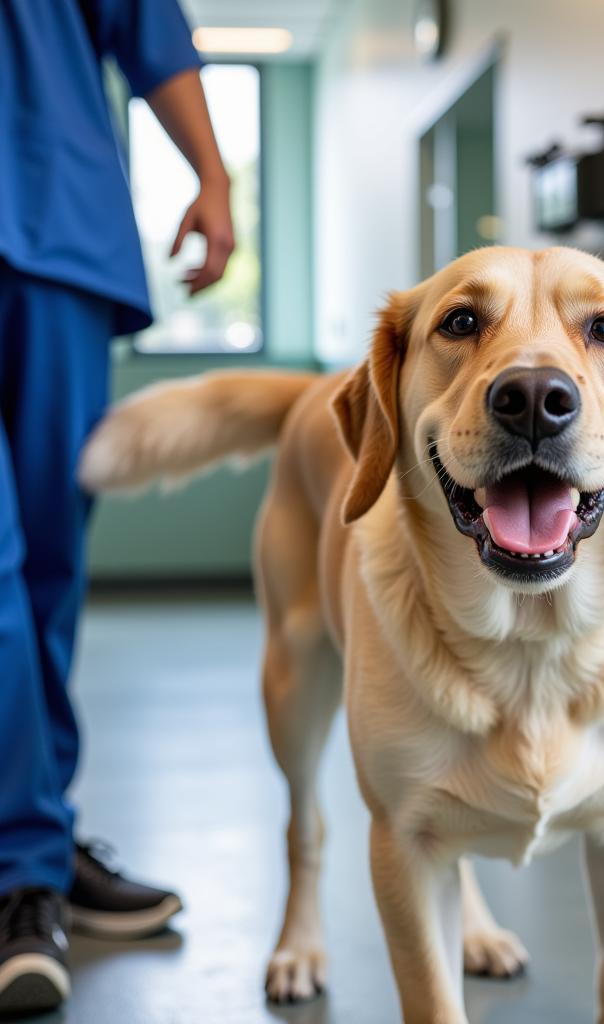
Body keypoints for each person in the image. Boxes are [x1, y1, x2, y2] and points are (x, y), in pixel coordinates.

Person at [0, 1, 235, 1014]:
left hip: (59, 229)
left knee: (50, 567)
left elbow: (145, 26)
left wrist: (213, 176)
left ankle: (36, 838)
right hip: (60, 227)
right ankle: (22, 867)